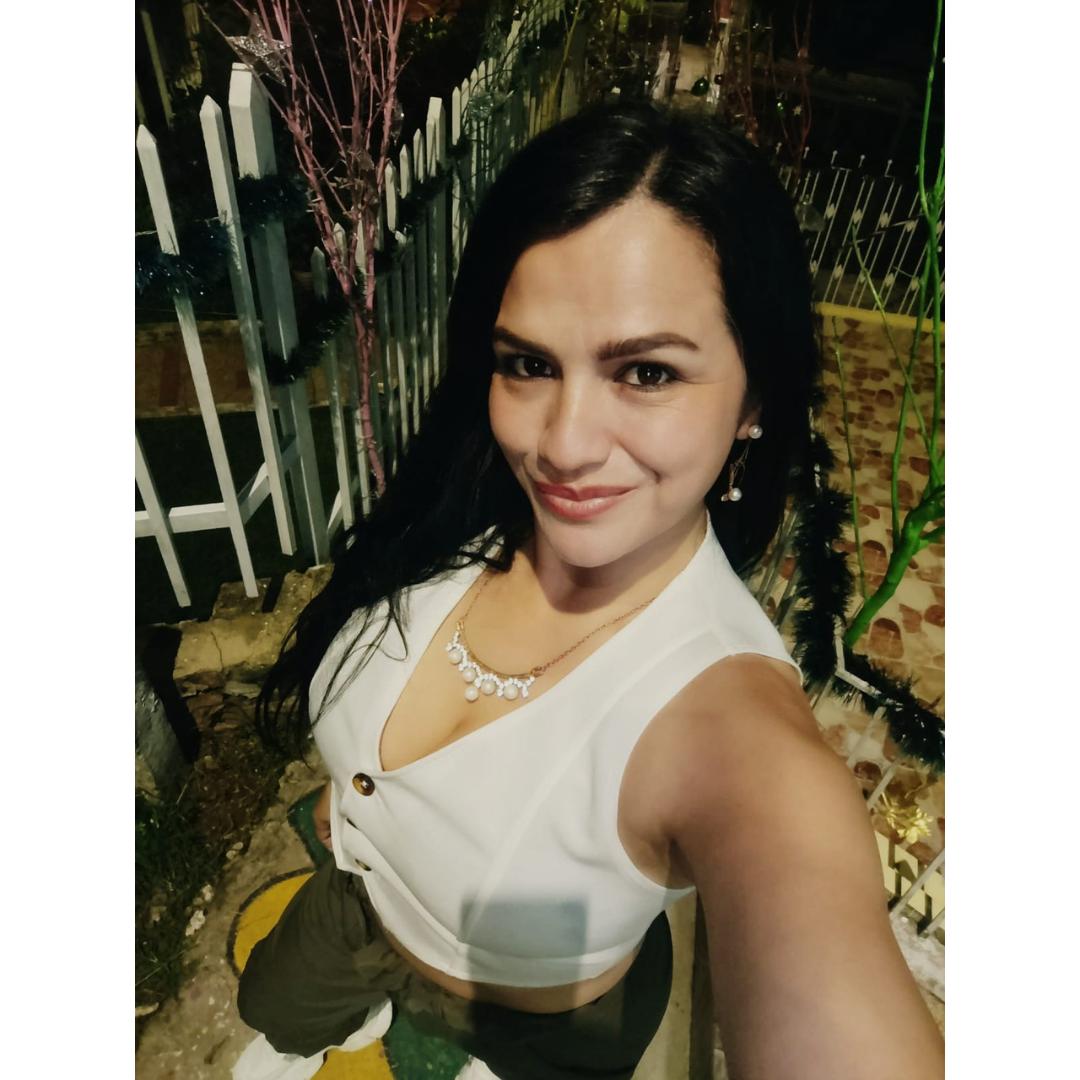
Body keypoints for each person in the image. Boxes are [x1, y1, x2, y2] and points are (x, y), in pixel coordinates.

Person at [233, 100, 945, 1080]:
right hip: (348, 908)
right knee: (272, 1008)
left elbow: (818, 949)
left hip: (533, 1038)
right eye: (528, 364)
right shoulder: (458, 515)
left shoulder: (734, 740)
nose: (562, 445)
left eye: (646, 372)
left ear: (755, 399)